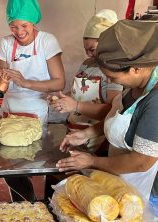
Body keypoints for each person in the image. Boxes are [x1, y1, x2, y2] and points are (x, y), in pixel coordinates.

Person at [56, 19, 158, 201]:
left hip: (144, 192)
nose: (110, 82)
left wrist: (92, 161)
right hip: (121, 182)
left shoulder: (155, 100)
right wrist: (88, 133)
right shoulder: (135, 85)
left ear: (136, 69)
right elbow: (124, 120)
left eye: (112, 77)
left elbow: (141, 162)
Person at [0, 0, 65, 201]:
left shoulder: (47, 41)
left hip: (35, 108)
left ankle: (42, 204)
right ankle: (26, 204)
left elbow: (59, 82)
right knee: (9, 167)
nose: (19, 31)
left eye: (24, 25)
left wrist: (25, 82)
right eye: (13, 26)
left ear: (33, 22)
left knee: (31, 161)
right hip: (9, 109)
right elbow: (0, 87)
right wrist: (3, 80)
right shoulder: (5, 43)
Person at [50, 9, 123, 153]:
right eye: (86, 49)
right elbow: (77, 92)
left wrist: (76, 106)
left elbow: (112, 111)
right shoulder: (87, 64)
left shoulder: (115, 70)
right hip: (74, 130)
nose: (88, 54)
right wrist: (62, 98)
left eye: (92, 49)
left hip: (96, 137)